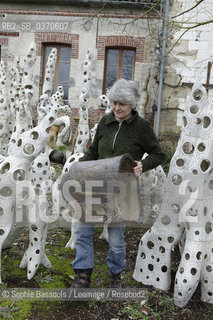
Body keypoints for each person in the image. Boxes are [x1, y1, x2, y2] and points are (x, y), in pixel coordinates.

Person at [71, 78, 166, 288]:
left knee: (115, 241)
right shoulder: (105, 122)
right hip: (96, 187)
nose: (116, 107)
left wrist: (143, 165)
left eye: (121, 104)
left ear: (131, 104)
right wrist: (78, 167)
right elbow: (93, 151)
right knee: (83, 231)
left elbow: (160, 154)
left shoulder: (142, 127)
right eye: (114, 103)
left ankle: (115, 274)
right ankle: (82, 276)